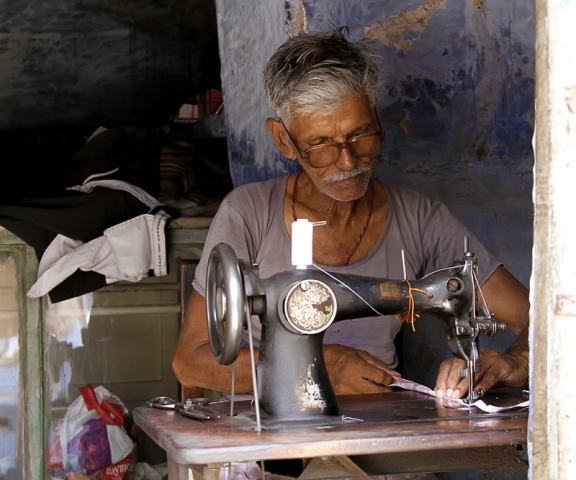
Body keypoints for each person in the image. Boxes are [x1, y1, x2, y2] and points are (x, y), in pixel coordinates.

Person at [172, 27, 530, 403]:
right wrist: (316, 367)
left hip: (374, 426)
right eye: (321, 144)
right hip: (266, 442)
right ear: (283, 140)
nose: (348, 161)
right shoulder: (248, 214)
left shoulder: (422, 221)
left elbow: (535, 319)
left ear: (377, 119)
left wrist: (515, 361)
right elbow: (191, 362)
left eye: (360, 135)